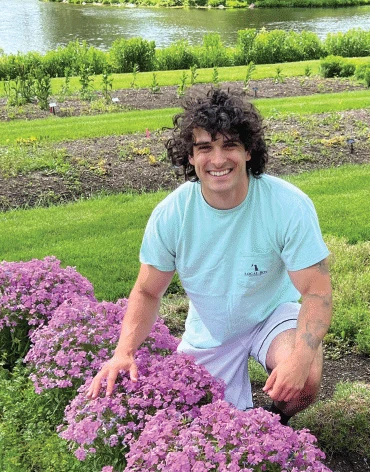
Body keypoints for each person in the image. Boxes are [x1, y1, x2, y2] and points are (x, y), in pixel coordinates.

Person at [87, 88, 332, 423]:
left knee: (305, 378)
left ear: (248, 151)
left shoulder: (288, 205)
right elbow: (147, 291)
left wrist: (301, 358)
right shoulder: (172, 214)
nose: (218, 160)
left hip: (273, 314)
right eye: (205, 148)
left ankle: (273, 422)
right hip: (212, 326)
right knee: (192, 418)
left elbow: (316, 291)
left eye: (230, 145)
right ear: (190, 156)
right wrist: (123, 352)